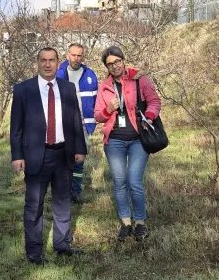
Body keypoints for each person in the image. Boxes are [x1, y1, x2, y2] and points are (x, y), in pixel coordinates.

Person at [10, 47, 87, 265]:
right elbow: (16, 127)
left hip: (63, 154)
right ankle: (34, 252)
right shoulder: (24, 89)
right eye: (43, 60)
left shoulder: (68, 88)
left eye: (51, 60)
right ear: (37, 62)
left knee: (62, 202)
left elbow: (75, 121)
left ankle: (62, 245)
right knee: (34, 205)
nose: (47, 64)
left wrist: (79, 149)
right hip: (36, 155)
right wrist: (17, 155)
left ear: (57, 62)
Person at [93, 45, 162, 243]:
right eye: (110, 64)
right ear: (106, 67)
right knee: (119, 182)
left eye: (117, 61)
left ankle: (140, 222)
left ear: (123, 60)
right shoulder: (104, 86)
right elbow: (97, 115)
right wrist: (108, 109)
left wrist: (148, 117)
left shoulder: (139, 79)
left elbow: (154, 101)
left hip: (138, 139)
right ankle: (125, 223)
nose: (114, 66)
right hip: (114, 140)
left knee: (134, 180)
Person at [56, 43, 98, 203]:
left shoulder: (90, 75)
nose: (76, 58)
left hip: (83, 125)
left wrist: (92, 123)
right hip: (63, 124)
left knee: (79, 160)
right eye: (73, 55)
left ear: (83, 56)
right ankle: (63, 192)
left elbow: (96, 100)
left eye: (79, 55)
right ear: (67, 55)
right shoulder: (59, 73)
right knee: (62, 159)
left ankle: (76, 191)